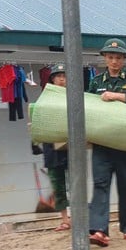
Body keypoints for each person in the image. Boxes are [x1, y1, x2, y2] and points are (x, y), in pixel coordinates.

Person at [88, 38, 126, 246]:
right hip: (102, 141)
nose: (114, 61)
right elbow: (90, 107)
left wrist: (116, 96)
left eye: (118, 58)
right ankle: (99, 230)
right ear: (105, 58)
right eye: (111, 57)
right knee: (100, 183)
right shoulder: (96, 81)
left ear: (124, 59)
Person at [42, 64, 71, 231]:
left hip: (71, 145)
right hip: (52, 148)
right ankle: (65, 219)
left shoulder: (73, 96)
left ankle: (79, 216)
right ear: (52, 79)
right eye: (58, 76)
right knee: (58, 184)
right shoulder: (46, 97)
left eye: (64, 76)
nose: (61, 79)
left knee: (76, 182)